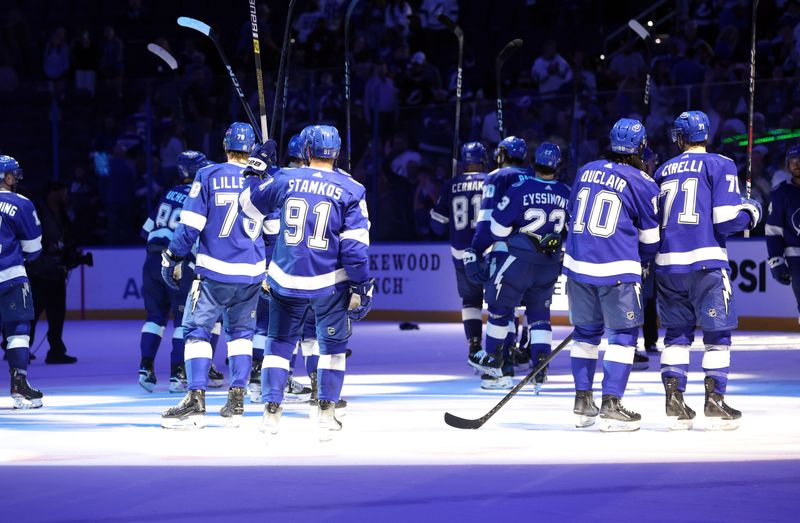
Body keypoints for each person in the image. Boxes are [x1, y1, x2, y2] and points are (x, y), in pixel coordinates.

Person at [240, 125, 373, 441]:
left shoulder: (285, 178)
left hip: (285, 280)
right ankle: (327, 411)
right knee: (333, 348)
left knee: (279, 345)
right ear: (337, 153)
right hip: (330, 285)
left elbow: (248, 205)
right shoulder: (352, 188)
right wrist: (360, 286)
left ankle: (271, 411)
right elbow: (355, 249)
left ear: (308, 151)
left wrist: (254, 168)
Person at [654, 110, 761, 431]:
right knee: (717, 335)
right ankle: (714, 401)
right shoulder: (720, 163)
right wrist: (751, 211)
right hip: (705, 262)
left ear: (681, 137)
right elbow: (727, 220)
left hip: (667, 264)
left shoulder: (662, 170)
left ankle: (674, 401)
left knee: (676, 336)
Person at [160, 122, 265, 429]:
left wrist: (173, 256)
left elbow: (189, 226)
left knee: (196, 332)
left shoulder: (208, 175)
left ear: (225, 145)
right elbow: (273, 232)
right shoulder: (263, 179)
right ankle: (237, 401)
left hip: (215, 272)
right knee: (242, 336)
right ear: (251, 149)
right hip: (251, 273)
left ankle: (196, 400)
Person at [563, 118, 660, 432]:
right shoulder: (644, 182)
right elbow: (650, 240)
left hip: (577, 266)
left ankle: (582, 403)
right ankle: (611, 405)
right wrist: (642, 262)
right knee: (623, 336)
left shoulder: (585, 170)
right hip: (617, 269)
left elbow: (571, 214)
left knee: (585, 335)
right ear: (641, 146)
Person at [470, 143, 570, 394]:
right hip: (549, 264)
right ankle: (539, 370)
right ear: (558, 166)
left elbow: (497, 230)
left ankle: (494, 372)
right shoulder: (567, 192)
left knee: (500, 312)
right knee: (539, 316)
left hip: (517, 262)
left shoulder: (520, 188)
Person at [464, 136, 534, 387]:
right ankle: (514, 363)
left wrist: (475, 249)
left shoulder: (496, 176)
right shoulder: (533, 176)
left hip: (504, 250)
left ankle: (496, 369)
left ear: (503, 154)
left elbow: (486, 219)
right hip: (533, 256)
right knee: (517, 309)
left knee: (498, 310)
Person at [248, 132, 313, 405]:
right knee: (292, 329)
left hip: (262, 262)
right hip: (287, 264)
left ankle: (255, 381)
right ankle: (279, 380)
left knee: (264, 326)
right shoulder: (303, 182)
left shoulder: (277, 177)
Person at [138, 150, 207, 393]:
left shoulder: (168, 192)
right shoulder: (200, 195)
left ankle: (145, 368)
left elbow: (145, 231)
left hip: (152, 259)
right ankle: (178, 374)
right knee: (181, 320)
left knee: (154, 318)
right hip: (178, 261)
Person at [429, 142, 489, 361]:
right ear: (483, 159)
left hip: (462, 253)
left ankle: (474, 346)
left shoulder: (451, 185)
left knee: (471, 301)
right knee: (500, 303)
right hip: (491, 252)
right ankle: (501, 351)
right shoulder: (493, 181)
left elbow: (437, 226)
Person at [0, 155, 44, 408]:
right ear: (7, 177)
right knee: (17, 329)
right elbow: (34, 247)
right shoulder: (21, 203)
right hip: (10, 275)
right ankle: (19, 385)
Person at [26, 181, 81, 364]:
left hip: (57, 271)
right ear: (53, 193)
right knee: (32, 314)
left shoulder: (63, 214)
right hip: (39, 272)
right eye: (64, 192)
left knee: (57, 314)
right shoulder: (38, 213)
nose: (66, 196)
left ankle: (56, 350)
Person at [766, 144, 800, 320]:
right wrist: (776, 260)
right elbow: (773, 230)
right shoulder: (781, 192)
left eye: (799, 160)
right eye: (793, 161)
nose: (797, 165)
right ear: (787, 165)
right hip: (796, 257)